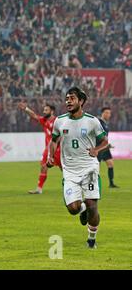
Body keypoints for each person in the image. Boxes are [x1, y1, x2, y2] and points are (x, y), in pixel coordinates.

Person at [48, 87, 109, 249]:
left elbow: (105, 141)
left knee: (92, 205)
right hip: (69, 171)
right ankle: (81, 209)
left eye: (72, 98)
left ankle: (91, 239)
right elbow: (54, 140)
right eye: (67, 98)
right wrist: (50, 156)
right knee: (73, 209)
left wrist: (96, 150)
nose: (68, 101)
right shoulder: (60, 121)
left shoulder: (92, 121)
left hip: (89, 169)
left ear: (81, 101)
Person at [18, 102, 62, 194]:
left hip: (58, 149)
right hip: (48, 149)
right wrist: (26, 109)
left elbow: (61, 135)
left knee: (64, 169)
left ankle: (74, 185)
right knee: (43, 166)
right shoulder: (44, 120)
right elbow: (34, 116)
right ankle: (39, 188)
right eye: (44, 110)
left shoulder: (57, 121)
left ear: (52, 111)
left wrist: (55, 144)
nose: (44, 112)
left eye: (46, 110)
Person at [97, 107, 119, 188]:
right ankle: (94, 185)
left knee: (110, 163)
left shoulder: (105, 123)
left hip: (105, 148)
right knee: (96, 168)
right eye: (106, 113)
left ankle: (111, 183)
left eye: (109, 113)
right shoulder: (99, 122)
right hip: (99, 147)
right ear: (102, 113)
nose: (108, 115)